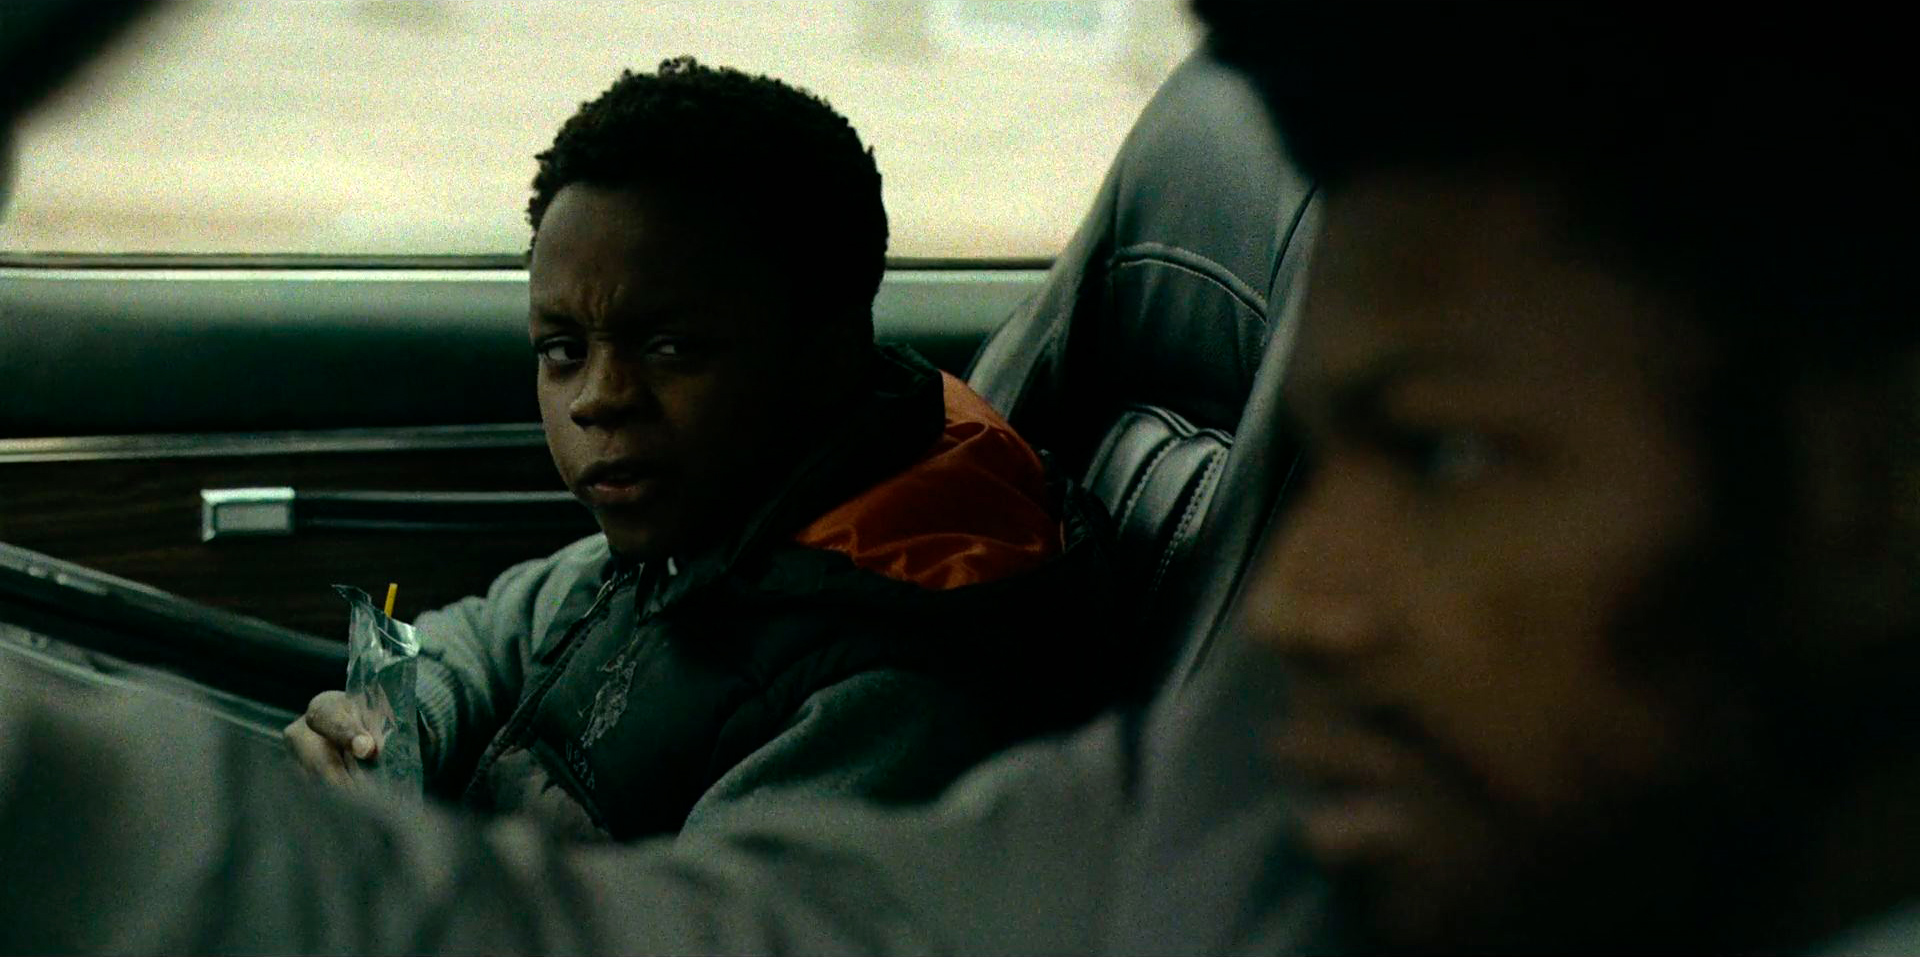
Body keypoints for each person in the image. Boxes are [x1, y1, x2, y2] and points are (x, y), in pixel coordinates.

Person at [8, 3, 1920, 954]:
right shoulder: (1245, 821)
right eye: (1322, 456)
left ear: (1873, 487)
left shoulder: (906, 674)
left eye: (1449, 453)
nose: (1302, 596)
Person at [277, 57, 1115, 840]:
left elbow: (697, 924)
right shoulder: (697, 539)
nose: (597, 397)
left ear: (825, 352)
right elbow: (489, 632)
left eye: (672, 346)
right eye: (562, 349)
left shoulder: (889, 680)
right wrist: (389, 728)